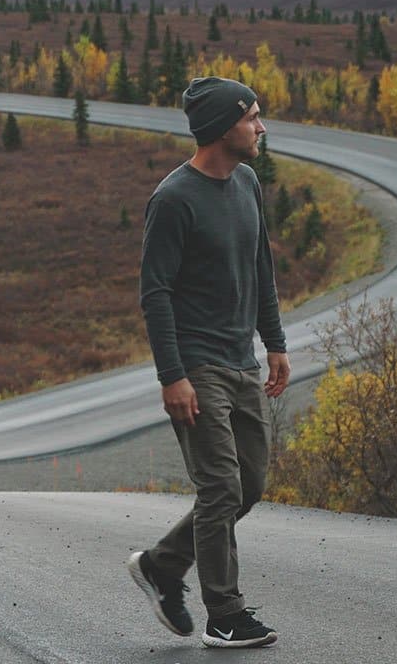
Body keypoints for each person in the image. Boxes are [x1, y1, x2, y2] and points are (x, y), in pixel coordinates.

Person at [127, 75, 290, 649]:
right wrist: (172, 375)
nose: (261, 127)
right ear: (224, 126)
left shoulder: (246, 182)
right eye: (253, 117)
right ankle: (225, 612)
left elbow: (259, 268)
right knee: (221, 487)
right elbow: (156, 293)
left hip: (242, 360)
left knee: (248, 486)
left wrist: (274, 342)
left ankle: (161, 566)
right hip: (197, 368)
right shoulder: (173, 199)